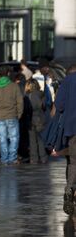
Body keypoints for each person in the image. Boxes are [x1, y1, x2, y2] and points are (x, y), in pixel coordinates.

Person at [0, 65, 24, 165]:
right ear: (8, 73)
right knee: (14, 138)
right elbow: (20, 101)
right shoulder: (14, 86)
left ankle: (4, 158)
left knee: (2, 138)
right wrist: (19, 114)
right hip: (12, 115)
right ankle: (12, 158)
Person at [54, 64, 76, 215]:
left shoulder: (66, 82)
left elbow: (59, 105)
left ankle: (69, 189)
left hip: (72, 128)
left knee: (73, 161)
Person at [25, 78, 48, 164]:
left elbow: (28, 108)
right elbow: (44, 107)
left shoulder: (28, 95)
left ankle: (34, 159)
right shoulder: (41, 94)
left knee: (32, 140)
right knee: (40, 140)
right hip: (40, 118)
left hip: (31, 119)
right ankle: (43, 157)